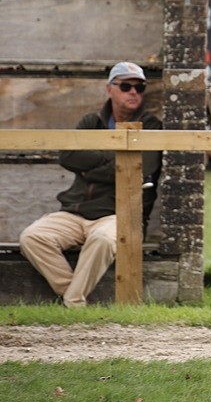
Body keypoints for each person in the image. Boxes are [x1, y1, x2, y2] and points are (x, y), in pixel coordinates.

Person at [18, 62, 162, 306]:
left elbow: (140, 170)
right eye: (126, 86)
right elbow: (68, 157)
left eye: (139, 87)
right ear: (109, 89)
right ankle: (70, 292)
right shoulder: (90, 122)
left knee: (104, 240)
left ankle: (73, 302)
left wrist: (90, 168)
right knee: (32, 237)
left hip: (118, 214)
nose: (133, 92)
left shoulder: (151, 126)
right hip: (76, 212)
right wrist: (115, 157)